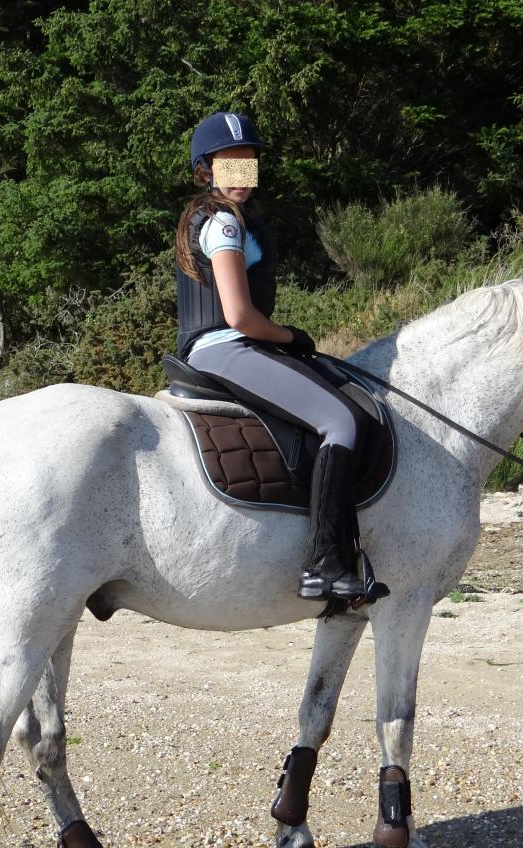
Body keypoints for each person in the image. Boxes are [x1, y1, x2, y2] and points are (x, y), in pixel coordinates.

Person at [174, 111, 385, 604]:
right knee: (341, 422)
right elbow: (240, 316)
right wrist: (290, 336)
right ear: (207, 169)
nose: (241, 173)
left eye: (248, 162)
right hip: (227, 347)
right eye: (230, 164)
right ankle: (326, 564)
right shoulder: (224, 222)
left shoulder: (226, 217)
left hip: (233, 347)